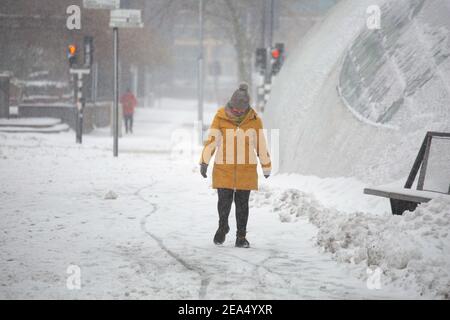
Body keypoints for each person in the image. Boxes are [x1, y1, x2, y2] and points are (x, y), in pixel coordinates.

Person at [199, 82, 272, 248]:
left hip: (246, 170)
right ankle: (223, 226)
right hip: (224, 168)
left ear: (246, 107)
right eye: (236, 109)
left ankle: (241, 237)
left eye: (242, 109)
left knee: (242, 206)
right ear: (231, 104)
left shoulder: (254, 121)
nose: (238, 111)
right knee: (223, 202)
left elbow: (261, 144)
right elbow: (212, 140)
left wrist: (266, 165)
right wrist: (204, 161)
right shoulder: (220, 117)